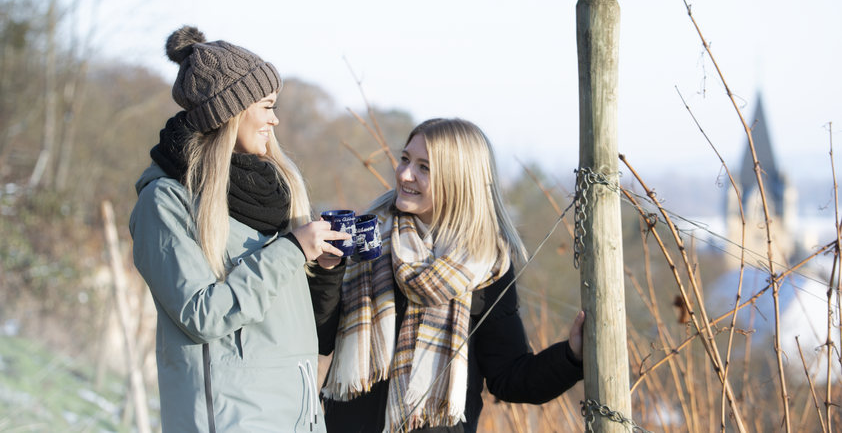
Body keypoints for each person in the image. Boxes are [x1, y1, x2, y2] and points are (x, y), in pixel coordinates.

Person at [129, 26, 348, 433]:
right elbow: (201, 314)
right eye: (266, 106)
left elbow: (310, 331)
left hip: (300, 420)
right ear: (230, 112)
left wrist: (327, 269)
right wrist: (292, 251)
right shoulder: (165, 202)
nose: (275, 118)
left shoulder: (278, 190)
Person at [319, 118, 585, 433]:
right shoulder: (367, 237)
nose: (405, 174)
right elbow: (319, 338)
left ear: (459, 179)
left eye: (424, 167)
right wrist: (326, 271)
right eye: (405, 159)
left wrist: (570, 357)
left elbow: (509, 378)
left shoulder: (486, 263)